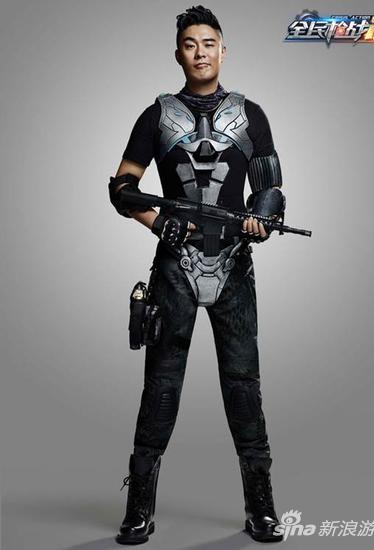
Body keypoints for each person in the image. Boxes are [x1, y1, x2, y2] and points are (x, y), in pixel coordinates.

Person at [109, 5, 285, 545]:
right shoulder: (156, 116)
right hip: (174, 267)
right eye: (190, 44)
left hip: (234, 266)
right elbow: (122, 187)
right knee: (161, 387)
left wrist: (262, 219)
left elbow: (271, 187)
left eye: (209, 43)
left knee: (244, 388)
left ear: (223, 50)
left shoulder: (251, 115)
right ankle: (139, 509)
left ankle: (261, 508)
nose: (200, 52)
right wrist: (160, 223)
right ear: (178, 53)